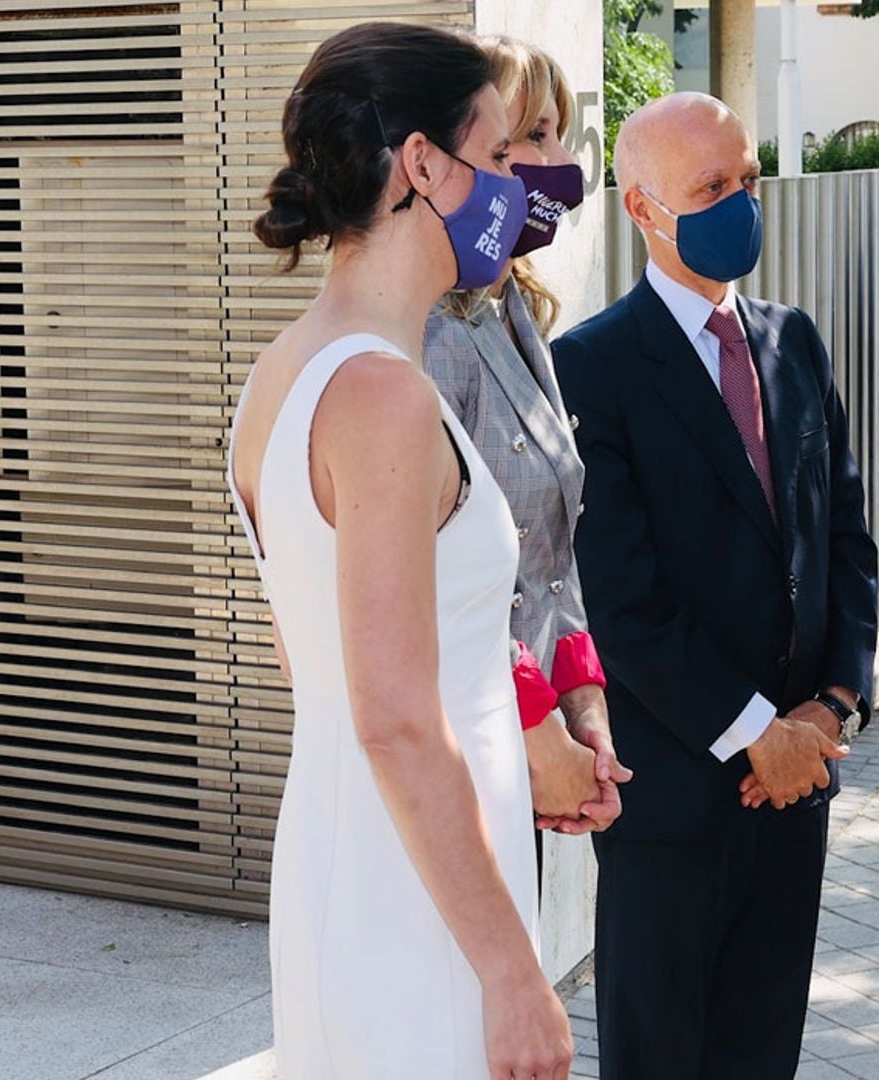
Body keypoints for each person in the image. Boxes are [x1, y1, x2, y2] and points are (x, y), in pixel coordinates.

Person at [230, 22, 573, 1079]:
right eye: (502, 154)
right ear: (425, 164)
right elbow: (393, 721)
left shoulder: (283, 372)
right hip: (421, 916)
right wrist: (515, 972)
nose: (522, 186)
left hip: (361, 872)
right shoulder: (381, 394)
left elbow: (314, 664)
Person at [550, 92, 879, 1080]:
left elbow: (846, 536)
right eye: (711, 188)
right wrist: (754, 735)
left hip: (797, 786)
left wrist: (832, 704)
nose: (739, 202)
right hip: (677, 799)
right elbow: (624, 601)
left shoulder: (796, 340)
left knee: (761, 1051)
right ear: (646, 210)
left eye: (746, 179)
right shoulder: (593, 368)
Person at [422, 37, 629, 848]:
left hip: (529, 747)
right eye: (521, 141)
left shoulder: (515, 313)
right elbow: (440, 579)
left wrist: (587, 712)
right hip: (466, 750)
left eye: (555, 135)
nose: (550, 165)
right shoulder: (432, 332)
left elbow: (549, 557)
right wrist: (543, 730)